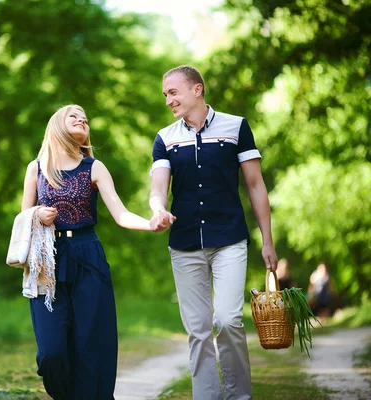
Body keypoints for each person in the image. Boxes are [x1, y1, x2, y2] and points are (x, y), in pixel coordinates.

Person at [149, 65, 278, 400]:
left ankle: (239, 396)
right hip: (184, 243)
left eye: (173, 92)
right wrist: (158, 210)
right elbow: (158, 188)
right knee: (198, 331)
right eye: (165, 95)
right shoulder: (165, 138)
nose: (168, 100)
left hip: (229, 239)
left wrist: (268, 241)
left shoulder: (236, 127)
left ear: (197, 89)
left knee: (228, 319)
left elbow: (255, 185)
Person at [20, 104, 152, 400]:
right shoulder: (36, 168)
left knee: (92, 345)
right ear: (57, 124)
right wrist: (37, 215)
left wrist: (151, 224)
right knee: (51, 353)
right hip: (47, 262)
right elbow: (22, 219)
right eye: (73, 116)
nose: (82, 120)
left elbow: (120, 214)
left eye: (85, 119)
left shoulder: (94, 167)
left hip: (87, 255)